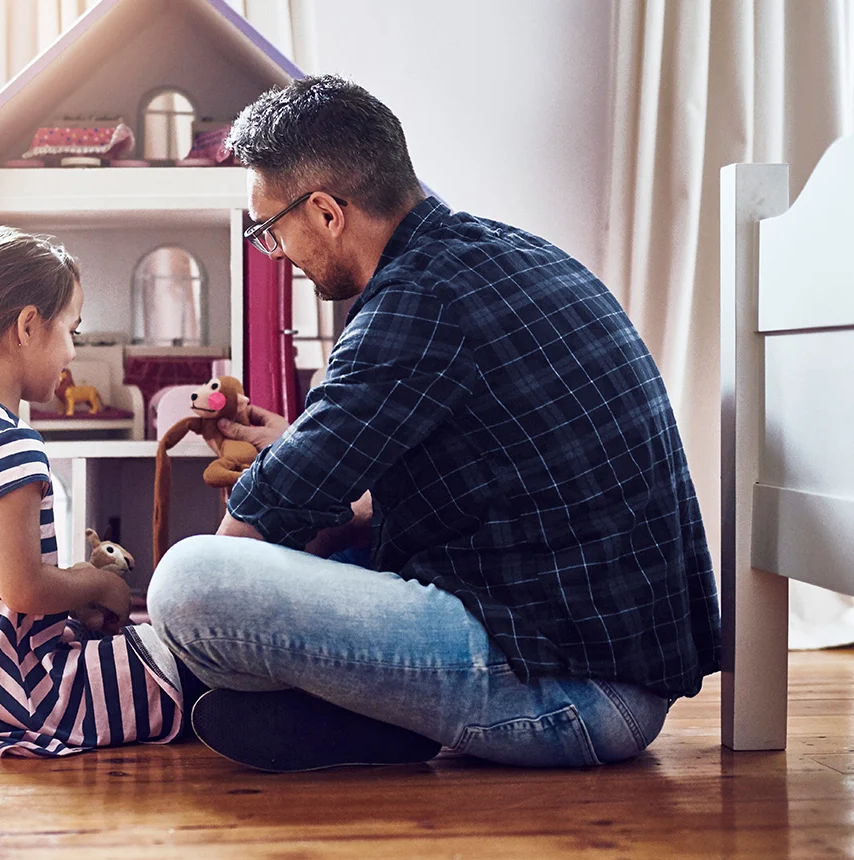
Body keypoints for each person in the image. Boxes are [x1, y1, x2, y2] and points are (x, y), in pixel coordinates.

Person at [146, 75, 721, 772]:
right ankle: (381, 717)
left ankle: (382, 713)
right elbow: (421, 483)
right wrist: (295, 456)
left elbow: (261, 514)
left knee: (190, 583)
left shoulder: (414, 303)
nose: (278, 253)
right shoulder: (502, 254)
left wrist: (200, 622)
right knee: (341, 541)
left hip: (569, 695)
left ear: (326, 212)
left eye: (271, 231)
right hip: (602, 662)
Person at [0, 227, 203, 757]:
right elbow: (23, 591)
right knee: (187, 661)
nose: (72, 353)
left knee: (148, 651)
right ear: (28, 327)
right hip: (29, 696)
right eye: (72, 331)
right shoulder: (9, 443)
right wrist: (94, 586)